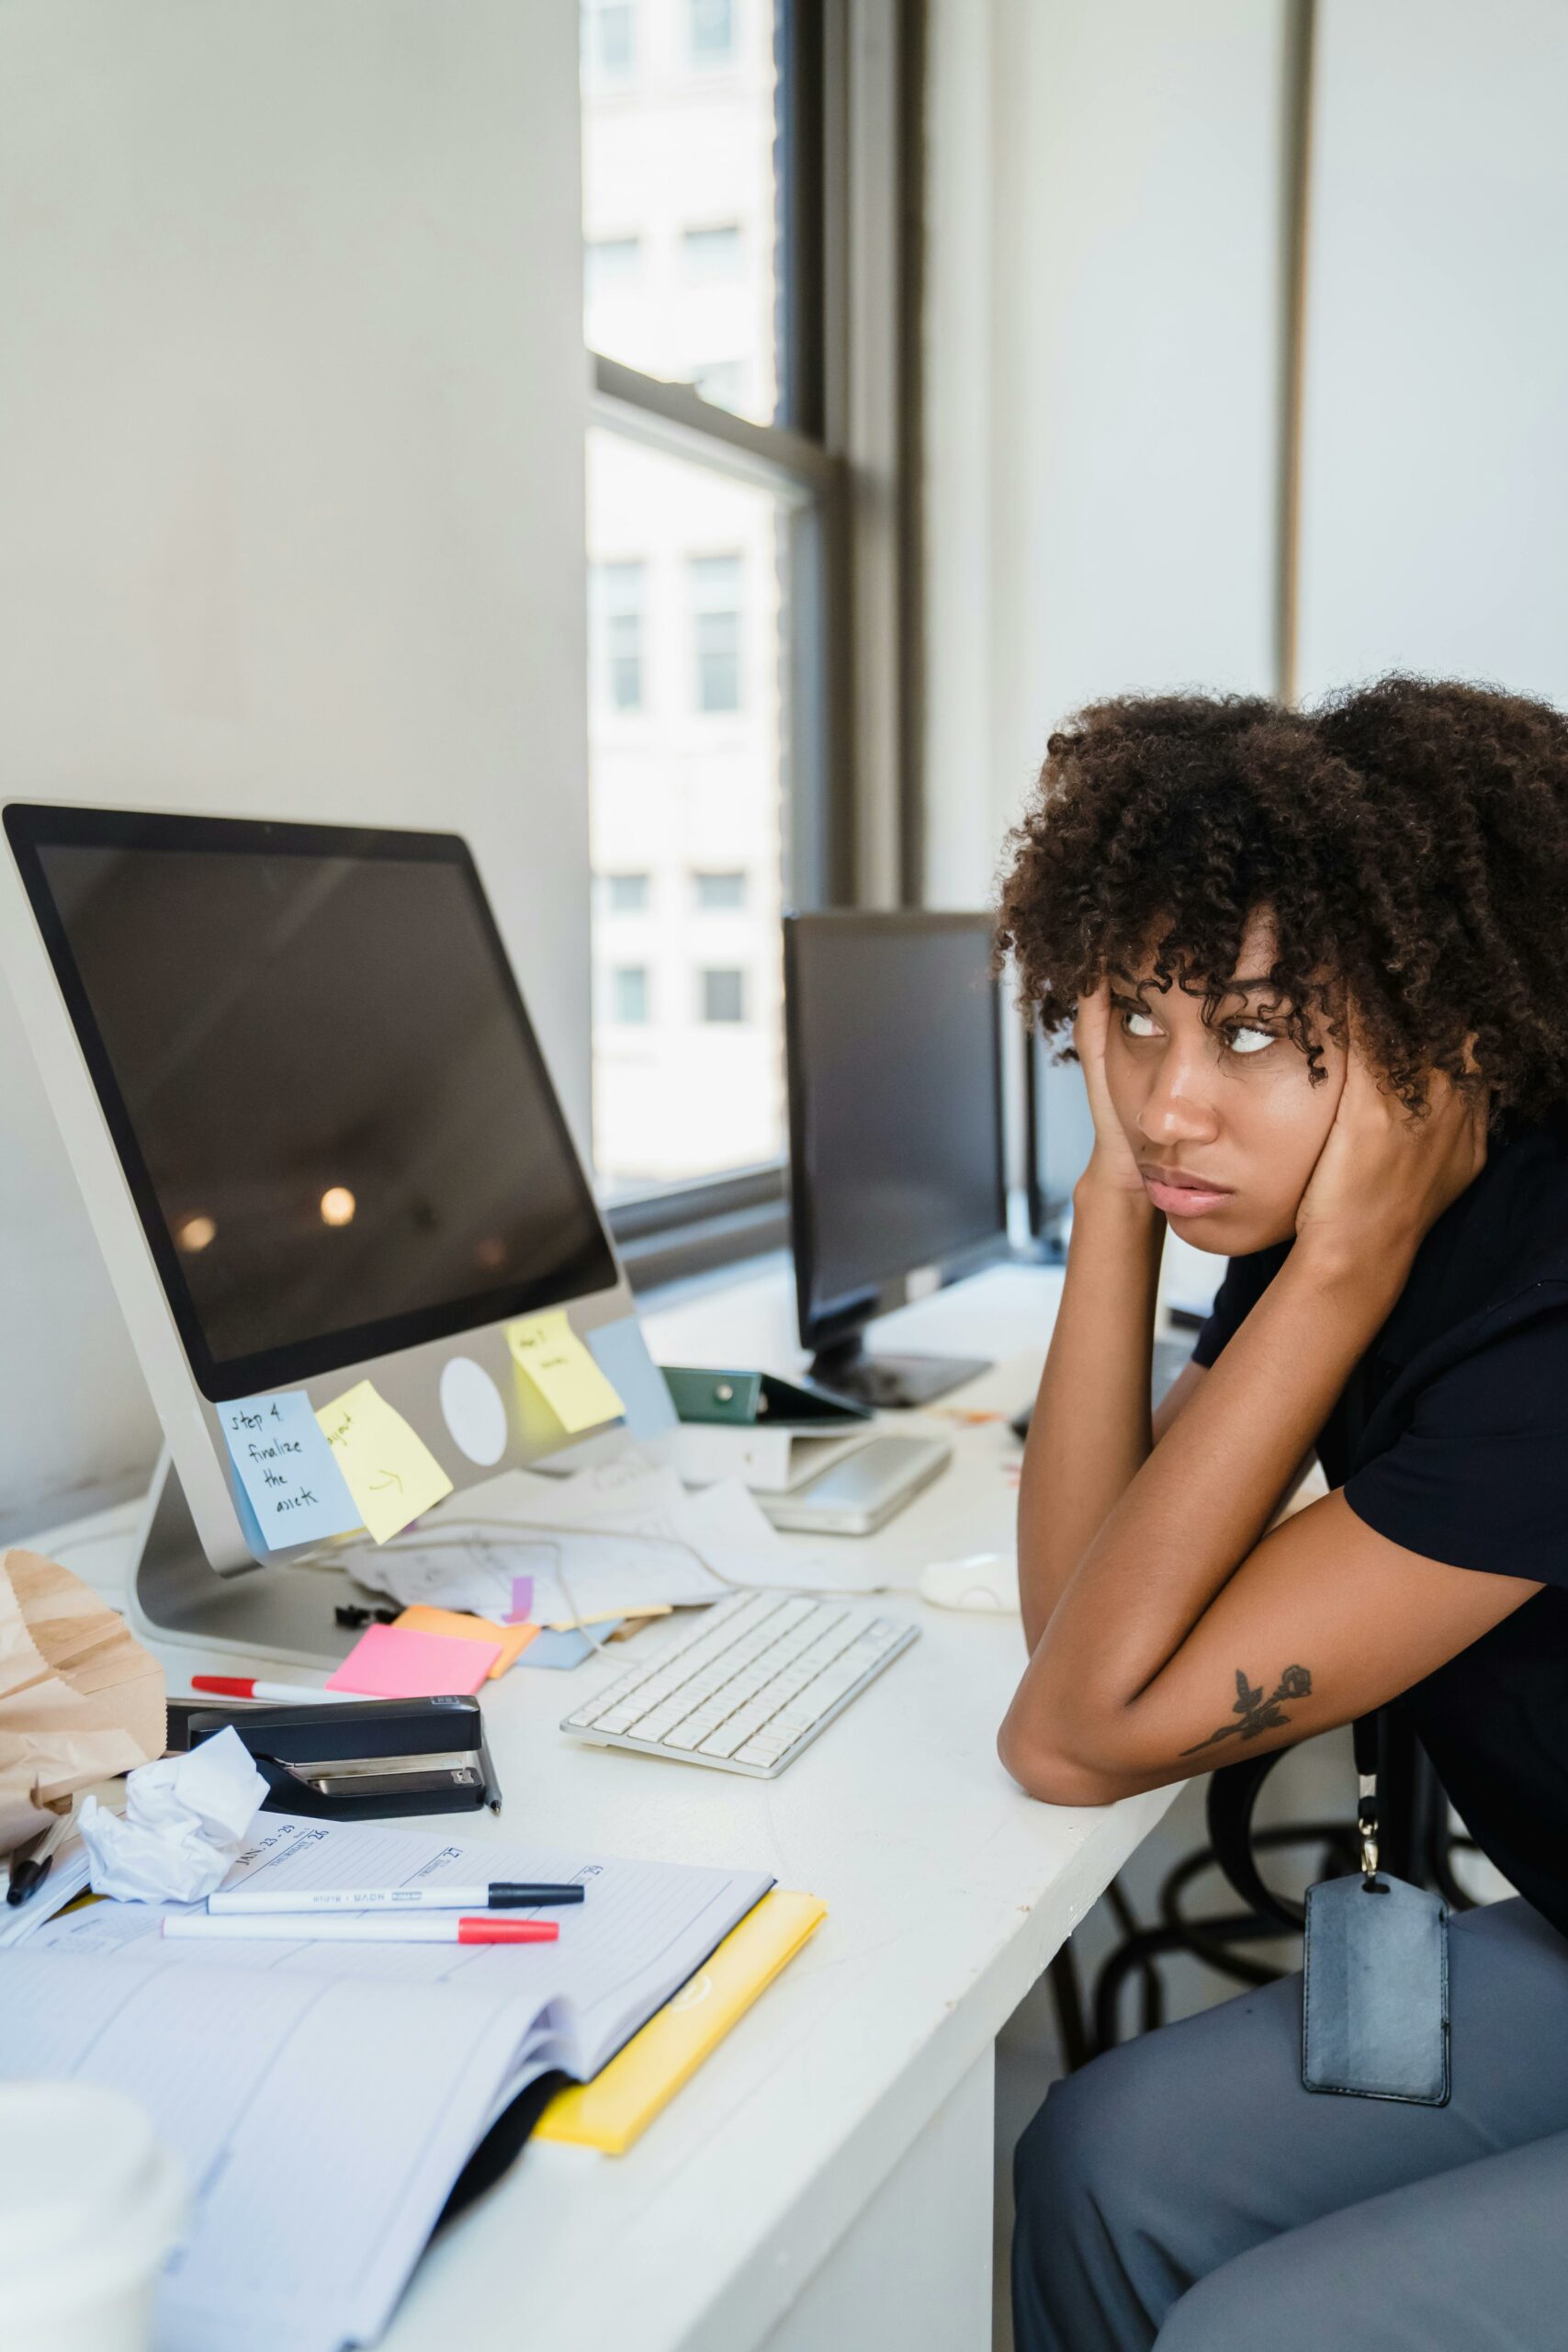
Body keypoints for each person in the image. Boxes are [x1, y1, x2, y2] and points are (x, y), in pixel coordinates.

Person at [994, 677, 1568, 2352]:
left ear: (1443, 1028)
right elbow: (1083, 1632)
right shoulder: (1352, 1215)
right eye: (1137, 1019)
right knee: (1095, 2157)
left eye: (1249, 1030)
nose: (1176, 1101)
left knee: (1269, 2330)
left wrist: (1334, 1276)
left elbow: (1075, 1734)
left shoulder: (1523, 1309)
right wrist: (1115, 1195)